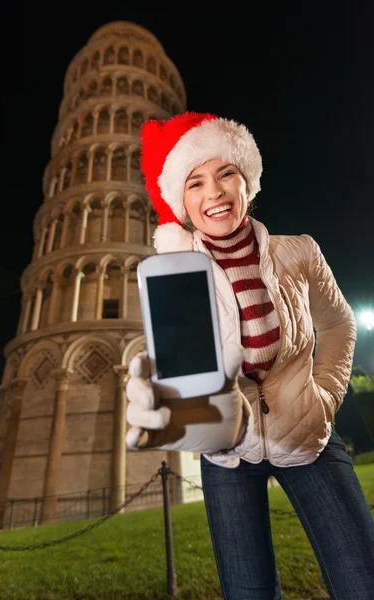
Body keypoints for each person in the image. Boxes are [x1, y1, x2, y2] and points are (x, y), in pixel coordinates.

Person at [125, 112, 374, 599]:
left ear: (247, 183)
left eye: (226, 174)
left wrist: (325, 396)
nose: (213, 192)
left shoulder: (298, 252)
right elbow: (187, 379)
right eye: (195, 182)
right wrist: (170, 405)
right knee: (248, 593)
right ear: (182, 201)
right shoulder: (173, 279)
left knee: (361, 580)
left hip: (308, 437)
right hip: (228, 457)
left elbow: (339, 323)